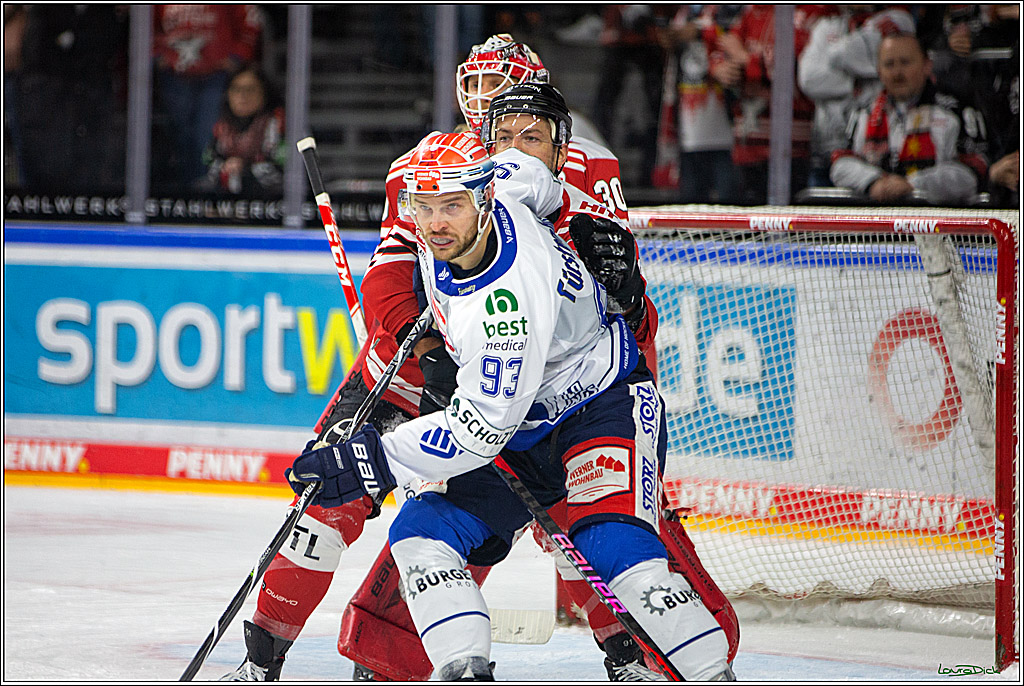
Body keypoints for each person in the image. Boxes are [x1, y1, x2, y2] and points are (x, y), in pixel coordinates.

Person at [219, 37, 675, 682]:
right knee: (328, 498)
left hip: (534, 373)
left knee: (578, 513)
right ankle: (262, 657)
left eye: (513, 104)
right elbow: (386, 279)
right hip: (416, 358)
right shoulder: (426, 166)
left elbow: (608, 292)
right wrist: (427, 347)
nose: (492, 110)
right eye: (482, 95)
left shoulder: (585, 166)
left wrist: (625, 288)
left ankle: (629, 654)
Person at [283, 130, 736, 682]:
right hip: (523, 423)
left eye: (449, 207)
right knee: (421, 539)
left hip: (598, 405)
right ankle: (466, 673)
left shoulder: (506, 307)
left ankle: (713, 676)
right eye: (422, 207)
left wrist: (367, 461)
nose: (435, 224)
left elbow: (480, 431)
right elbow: (540, 179)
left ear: (481, 199)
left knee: (615, 554)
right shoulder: (507, 182)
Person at [830, 32, 989, 205]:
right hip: (877, 225)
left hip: (939, 223)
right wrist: (874, 181)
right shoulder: (863, 113)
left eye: (905, 62)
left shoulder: (957, 110)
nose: (897, 72)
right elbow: (840, 163)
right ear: (879, 71)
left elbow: (973, 172)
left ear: (927, 65)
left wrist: (912, 185)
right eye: (889, 64)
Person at [708, 4, 825, 204]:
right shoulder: (751, 12)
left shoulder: (812, 12)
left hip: (790, 150)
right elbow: (725, 47)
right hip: (747, 146)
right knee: (748, 226)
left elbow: (794, 67)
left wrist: (745, 58)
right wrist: (720, 68)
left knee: (789, 225)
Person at [797, 5, 915, 188]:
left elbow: (841, 54)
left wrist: (830, 59)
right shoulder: (826, 26)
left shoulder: (895, 18)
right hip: (825, 150)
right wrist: (857, 82)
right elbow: (808, 79)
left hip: (872, 155)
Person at [152, 4, 263, 189]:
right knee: (179, 136)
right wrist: (157, 55)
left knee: (206, 134)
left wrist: (237, 56)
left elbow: (251, 20)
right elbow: (145, 24)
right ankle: (183, 192)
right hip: (175, 76)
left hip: (216, 75)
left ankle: (203, 193)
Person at [198, 66, 286, 196]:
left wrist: (245, 169)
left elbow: (284, 170)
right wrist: (225, 168)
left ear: (264, 93)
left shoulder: (279, 124)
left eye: (250, 89)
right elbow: (208, 162)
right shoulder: (220, 125)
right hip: (225, 202)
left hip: (270, 201)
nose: (242, 96)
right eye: (236, 89)